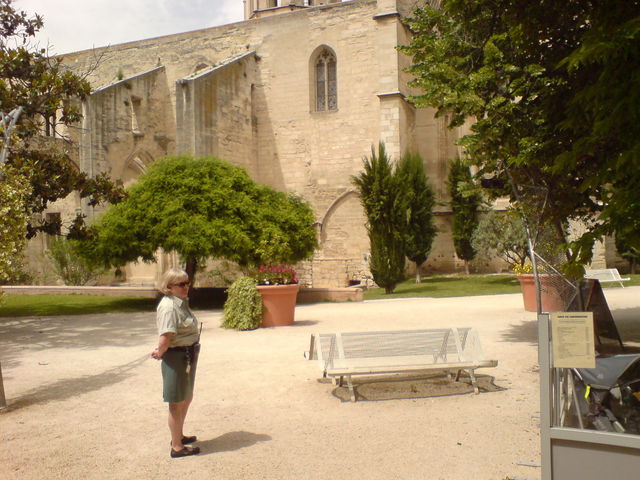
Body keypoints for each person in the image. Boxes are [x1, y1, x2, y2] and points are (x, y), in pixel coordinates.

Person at [151, 268, 201, 458]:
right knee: (176, 401)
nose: (186, 287)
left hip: (187, 355)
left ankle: (178, 435)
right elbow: (166, 335)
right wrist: (159, 351)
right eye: (181, 284)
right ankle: (177, 447)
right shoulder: (169, 307)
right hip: (176, 357)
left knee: (186, 397)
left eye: (187, 282)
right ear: (169, 287)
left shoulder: (180, 303)